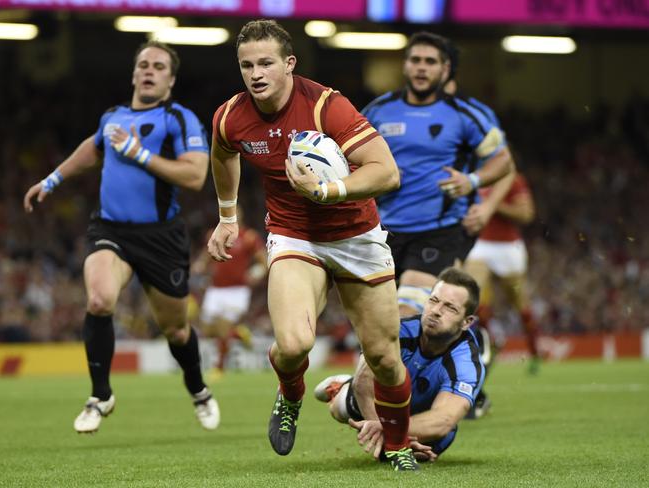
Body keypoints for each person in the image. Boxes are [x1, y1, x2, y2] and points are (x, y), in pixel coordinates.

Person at [208, 20, 418, 471]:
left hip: (356, 236)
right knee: (293, 343)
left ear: (289, 64)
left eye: (265, 63)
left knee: (383, 357)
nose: (255, 73)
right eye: (246, 65)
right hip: (293, 234)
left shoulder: (328, 107)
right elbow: (223, 152)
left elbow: (386, 171)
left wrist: (330, 190)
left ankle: (398, 447)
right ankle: (290, 394)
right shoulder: (230, 116)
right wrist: (227, 216)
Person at [23, 41, 219, 433]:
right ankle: (100, 395)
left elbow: (196, 176)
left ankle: (198, 389)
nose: (149, 70)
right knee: (99, 299)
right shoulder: (113, 117)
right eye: (143, 64)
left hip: (161, 238)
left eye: (158, 66)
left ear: (171, 79)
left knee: (177, 330)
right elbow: (93, 148)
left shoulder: (179, 119)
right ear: (133, 74)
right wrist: (53, 179)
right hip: (111, 229)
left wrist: (139, 153)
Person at [362, 31, 514, 318]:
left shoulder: (467, 113)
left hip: (441, 229)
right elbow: (350, 155)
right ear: (404, 65)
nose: (421, 67)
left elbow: (503, 161)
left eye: (430, 61)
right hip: (384, 230)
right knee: (380, 319)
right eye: (415, 60)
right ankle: (468, 346)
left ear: (444, 70)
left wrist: (472, 182)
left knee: (408, 309)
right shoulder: (378, 111)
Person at [315, 267, 484, 462]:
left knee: (427, 450)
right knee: (340, 407)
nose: (436, 311)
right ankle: (340, 388)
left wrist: (394, 433)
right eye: (434, 300)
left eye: (450, 307)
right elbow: (363, 383)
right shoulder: (398, 330)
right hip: (382, 406)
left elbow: (443, 420)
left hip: (421, 420)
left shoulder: (466, 362)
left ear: (467, 322)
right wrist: (388, 434)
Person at [463, 172, 539, 413]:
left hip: (508, 248)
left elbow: (526, 214)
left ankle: (534, 352)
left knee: (521, 305)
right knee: (471, 301)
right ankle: (485, 341)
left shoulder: (513, 179)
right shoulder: (474, 176)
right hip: (481, 245)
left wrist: (493, 205)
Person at [192, 208, 267, 371]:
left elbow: (263, 261)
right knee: (208, 330)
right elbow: (207, 255)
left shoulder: (248, 236)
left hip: (237, 290)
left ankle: (219, 367)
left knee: (223, 329)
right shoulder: (214, 234)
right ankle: (240, 333)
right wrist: (200, 265)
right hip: (215, 289)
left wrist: (256, 273)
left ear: (240, 215)